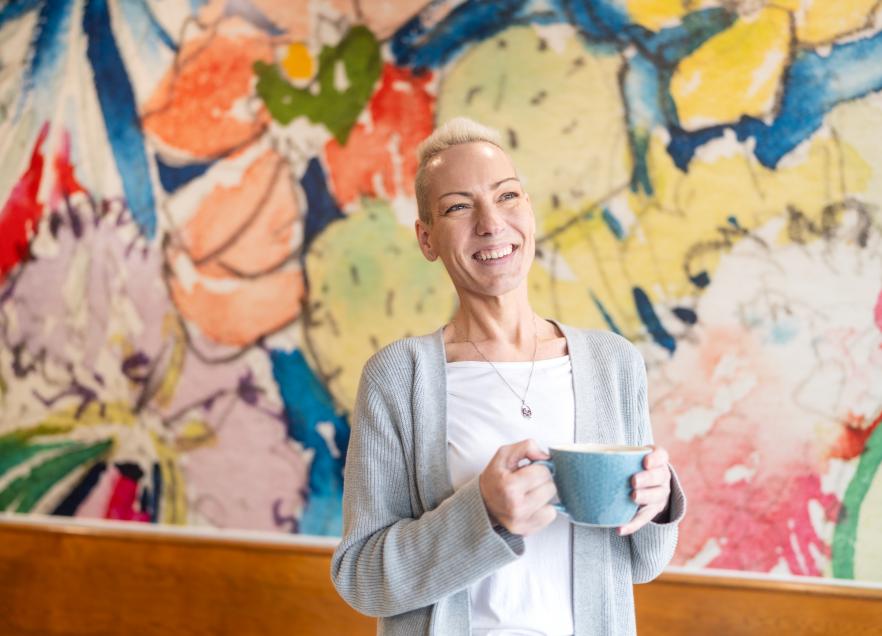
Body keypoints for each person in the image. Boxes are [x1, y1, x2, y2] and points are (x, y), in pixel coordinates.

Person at [331, 117, 686, 636]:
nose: (491, 222)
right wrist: (484, 514)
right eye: (458, 206)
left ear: (530, 213)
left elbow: (642, 563)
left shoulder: (613, 363)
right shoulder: (398, 378)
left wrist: (656, 502)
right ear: (427, 239)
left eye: (507, 196)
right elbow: (362, 578)